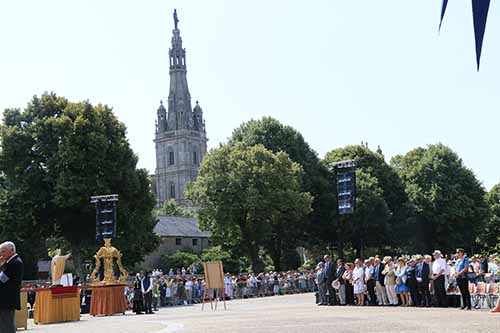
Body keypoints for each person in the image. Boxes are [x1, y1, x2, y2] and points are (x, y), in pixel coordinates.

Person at [0, 241, 24, 333]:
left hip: (7, 300)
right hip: (6, 300)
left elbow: (2, 280)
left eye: (3, 251)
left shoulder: (14, 263)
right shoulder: (10, 262)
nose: (1, 254)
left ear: (12, 250)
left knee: (6, 326)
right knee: (5, 325)